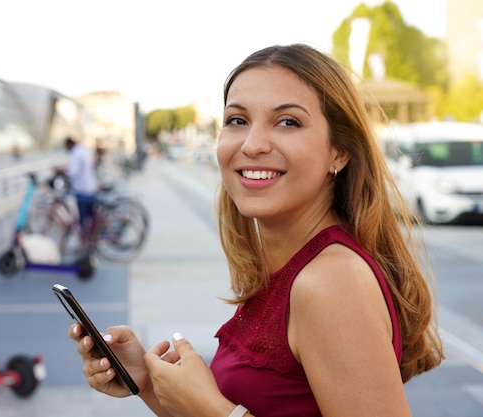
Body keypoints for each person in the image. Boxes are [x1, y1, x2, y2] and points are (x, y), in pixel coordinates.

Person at [68, 44, 444, 417]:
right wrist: (146, 382)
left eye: (288, 122)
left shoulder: (331, 282)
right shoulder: (290, 269)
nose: (253, 144)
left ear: (338, 153)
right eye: (237, 120)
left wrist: (216, 411)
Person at [64, 137, 99, 233]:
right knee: (89, 215)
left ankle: (86, 235)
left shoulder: (76, 153)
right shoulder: (84, 150)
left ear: (69, 145)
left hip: (82, 188)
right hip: (91, 185)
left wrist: (62, 171)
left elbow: (72, 171)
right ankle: (89, 235)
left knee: (83, 217)